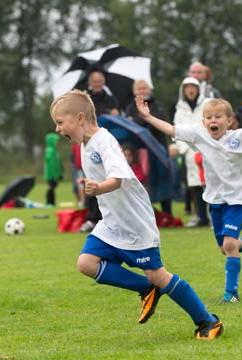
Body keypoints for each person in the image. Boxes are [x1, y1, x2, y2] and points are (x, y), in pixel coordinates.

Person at [50, 89, 223, 341]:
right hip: (112, 223)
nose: (57, 129)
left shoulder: (103, 141)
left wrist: (98, 187)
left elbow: (118, 178)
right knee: (86, 263)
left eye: (60, 122)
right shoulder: (87, 145)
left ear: (79, 118)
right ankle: (146, 289)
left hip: (134, 223)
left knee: (158, 275)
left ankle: (207, 320)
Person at [135, 89, 242, 303]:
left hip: (236, 200)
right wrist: (148, 117)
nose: (213, 120)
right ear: (203, 121)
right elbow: (171, 129)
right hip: (215, 200)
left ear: (229, 121)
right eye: (209, 117)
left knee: (229, 245)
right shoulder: (199, 134)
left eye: (218, 117)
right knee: (225, 248)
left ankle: (231, 293)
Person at [125, 80, 174, 215]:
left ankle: (167, 214)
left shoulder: (157, 106)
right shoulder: (130, 107)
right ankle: (147, 214)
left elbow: (159, 124)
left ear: (150, 90)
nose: (142, 91)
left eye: (144, 88)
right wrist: (146, 121)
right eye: (139, 89)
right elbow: (129, 127)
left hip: (158, 150)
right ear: (134, 92)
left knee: (163, 181)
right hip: (138, 152)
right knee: (143, 183)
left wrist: (139, 121)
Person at [80, 70, 119, 233]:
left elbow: (117, 116)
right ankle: (91, 218)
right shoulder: (83, 98)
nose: (97, 83)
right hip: (88, 142)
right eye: (94, 81)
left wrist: (112, 114)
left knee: (105, 181)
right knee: (90, 180)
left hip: (104, 142)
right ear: (90, 82)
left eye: (100, 81)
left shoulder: (110, 99)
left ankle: (108, 218)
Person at [173, 77, 209, 227]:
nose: (190, 90)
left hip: (205, 147)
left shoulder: (206, 103)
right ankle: (201, 216)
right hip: (189, 150)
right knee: (194, 184)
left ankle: (212, 215)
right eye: (187, 87)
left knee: (208, 182)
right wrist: (181, 147)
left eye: (193, 87)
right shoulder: (180, 108)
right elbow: (176, 128)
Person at [43, 132, 63, 206]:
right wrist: (54, 175)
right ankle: (49, 202)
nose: (57, 143)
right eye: (55, 141)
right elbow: (51, 165)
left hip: (54, 174)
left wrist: (59, 173)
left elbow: (57, 164)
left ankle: (52, 202)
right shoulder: (50, 151)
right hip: (51, 174)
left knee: (53, 188)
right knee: (50, 187)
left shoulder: (54, 150)